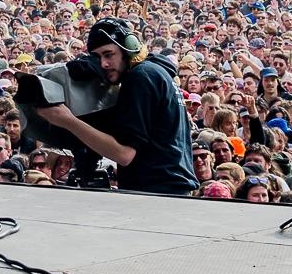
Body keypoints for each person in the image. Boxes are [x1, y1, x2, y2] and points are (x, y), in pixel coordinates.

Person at [25, 17, 197, 195]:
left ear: (128, 49)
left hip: (156, 192)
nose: (103, 64)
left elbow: (124, 155)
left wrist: (66, 119)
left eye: (109, 54)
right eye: (97, 57)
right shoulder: (155, 72)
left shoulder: (140, 77)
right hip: (169, 188)